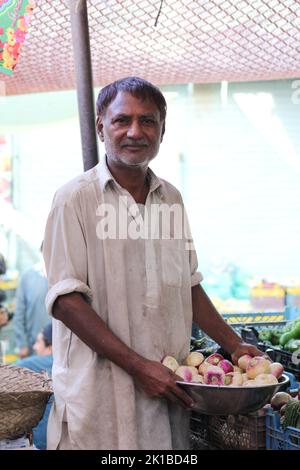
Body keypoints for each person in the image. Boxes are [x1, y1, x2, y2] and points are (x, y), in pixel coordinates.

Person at [43, 76, 263, 450]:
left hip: (166, 395)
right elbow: (66, 301)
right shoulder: (73, 200)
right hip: (100, 399)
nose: (135, 131)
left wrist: (234, 344)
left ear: (162, 130)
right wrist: (139, 367)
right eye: (121, 120)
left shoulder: (170, 199)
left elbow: (188, 285)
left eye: (148, 121)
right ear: (101, 126)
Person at [15, 322, 53, 450]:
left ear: (50, 347)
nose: (35, 347)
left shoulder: (37, 364)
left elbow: (6, 370)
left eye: (38, 342)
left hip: (41, 443)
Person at [13, 245, 49, 358]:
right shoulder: (27, 277)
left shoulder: (64, 276)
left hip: (60, 349)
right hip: (34, 347)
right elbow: (19, 314)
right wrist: (22, 344)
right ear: (41, 252)